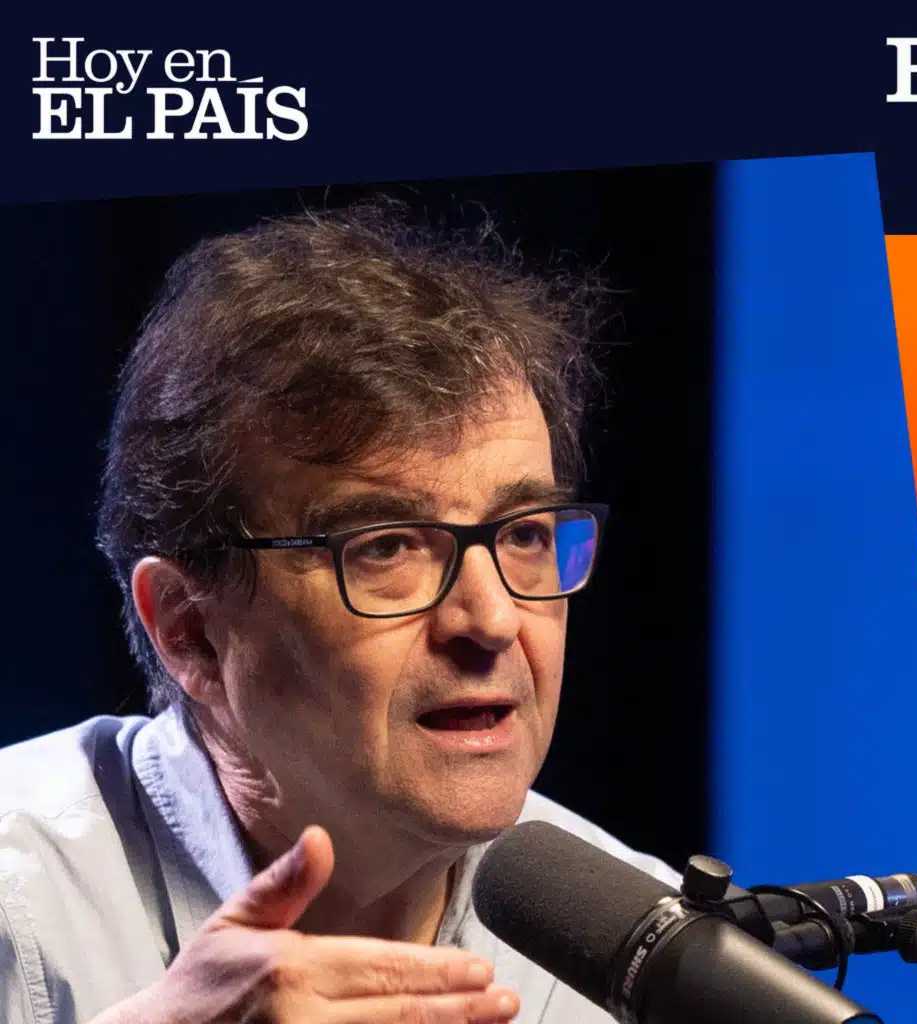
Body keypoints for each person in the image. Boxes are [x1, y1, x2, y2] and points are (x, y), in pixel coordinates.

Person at [0, 202, 681, 1024]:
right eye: (386, 547)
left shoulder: (647, 959)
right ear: (190, 630)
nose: (493, 620)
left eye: (526, 534)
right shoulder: (18, 902)